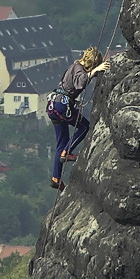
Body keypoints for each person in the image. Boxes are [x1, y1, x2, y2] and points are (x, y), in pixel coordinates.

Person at [46, 47, 111, 190]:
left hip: (54, 106)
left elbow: (68, 87)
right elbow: (80, 83)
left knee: (60, 144)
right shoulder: (78, 68)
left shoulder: (73, 67)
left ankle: (56, 178)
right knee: (85, 127)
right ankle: (67, 151)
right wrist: (95, 71)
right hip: (62, 106)